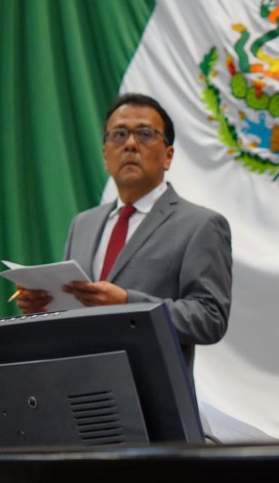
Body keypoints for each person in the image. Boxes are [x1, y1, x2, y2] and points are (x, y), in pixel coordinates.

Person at [14, 93, 232, 368]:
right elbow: (72, 316)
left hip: (150, 388)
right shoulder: (82, 224)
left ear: (168, 156)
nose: (130, 144)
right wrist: (43, 308)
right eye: (119, 135)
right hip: (78, 381)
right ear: (105, 156)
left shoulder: (200, 225)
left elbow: (210, 319)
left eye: (145, 134)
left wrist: (128, 303)